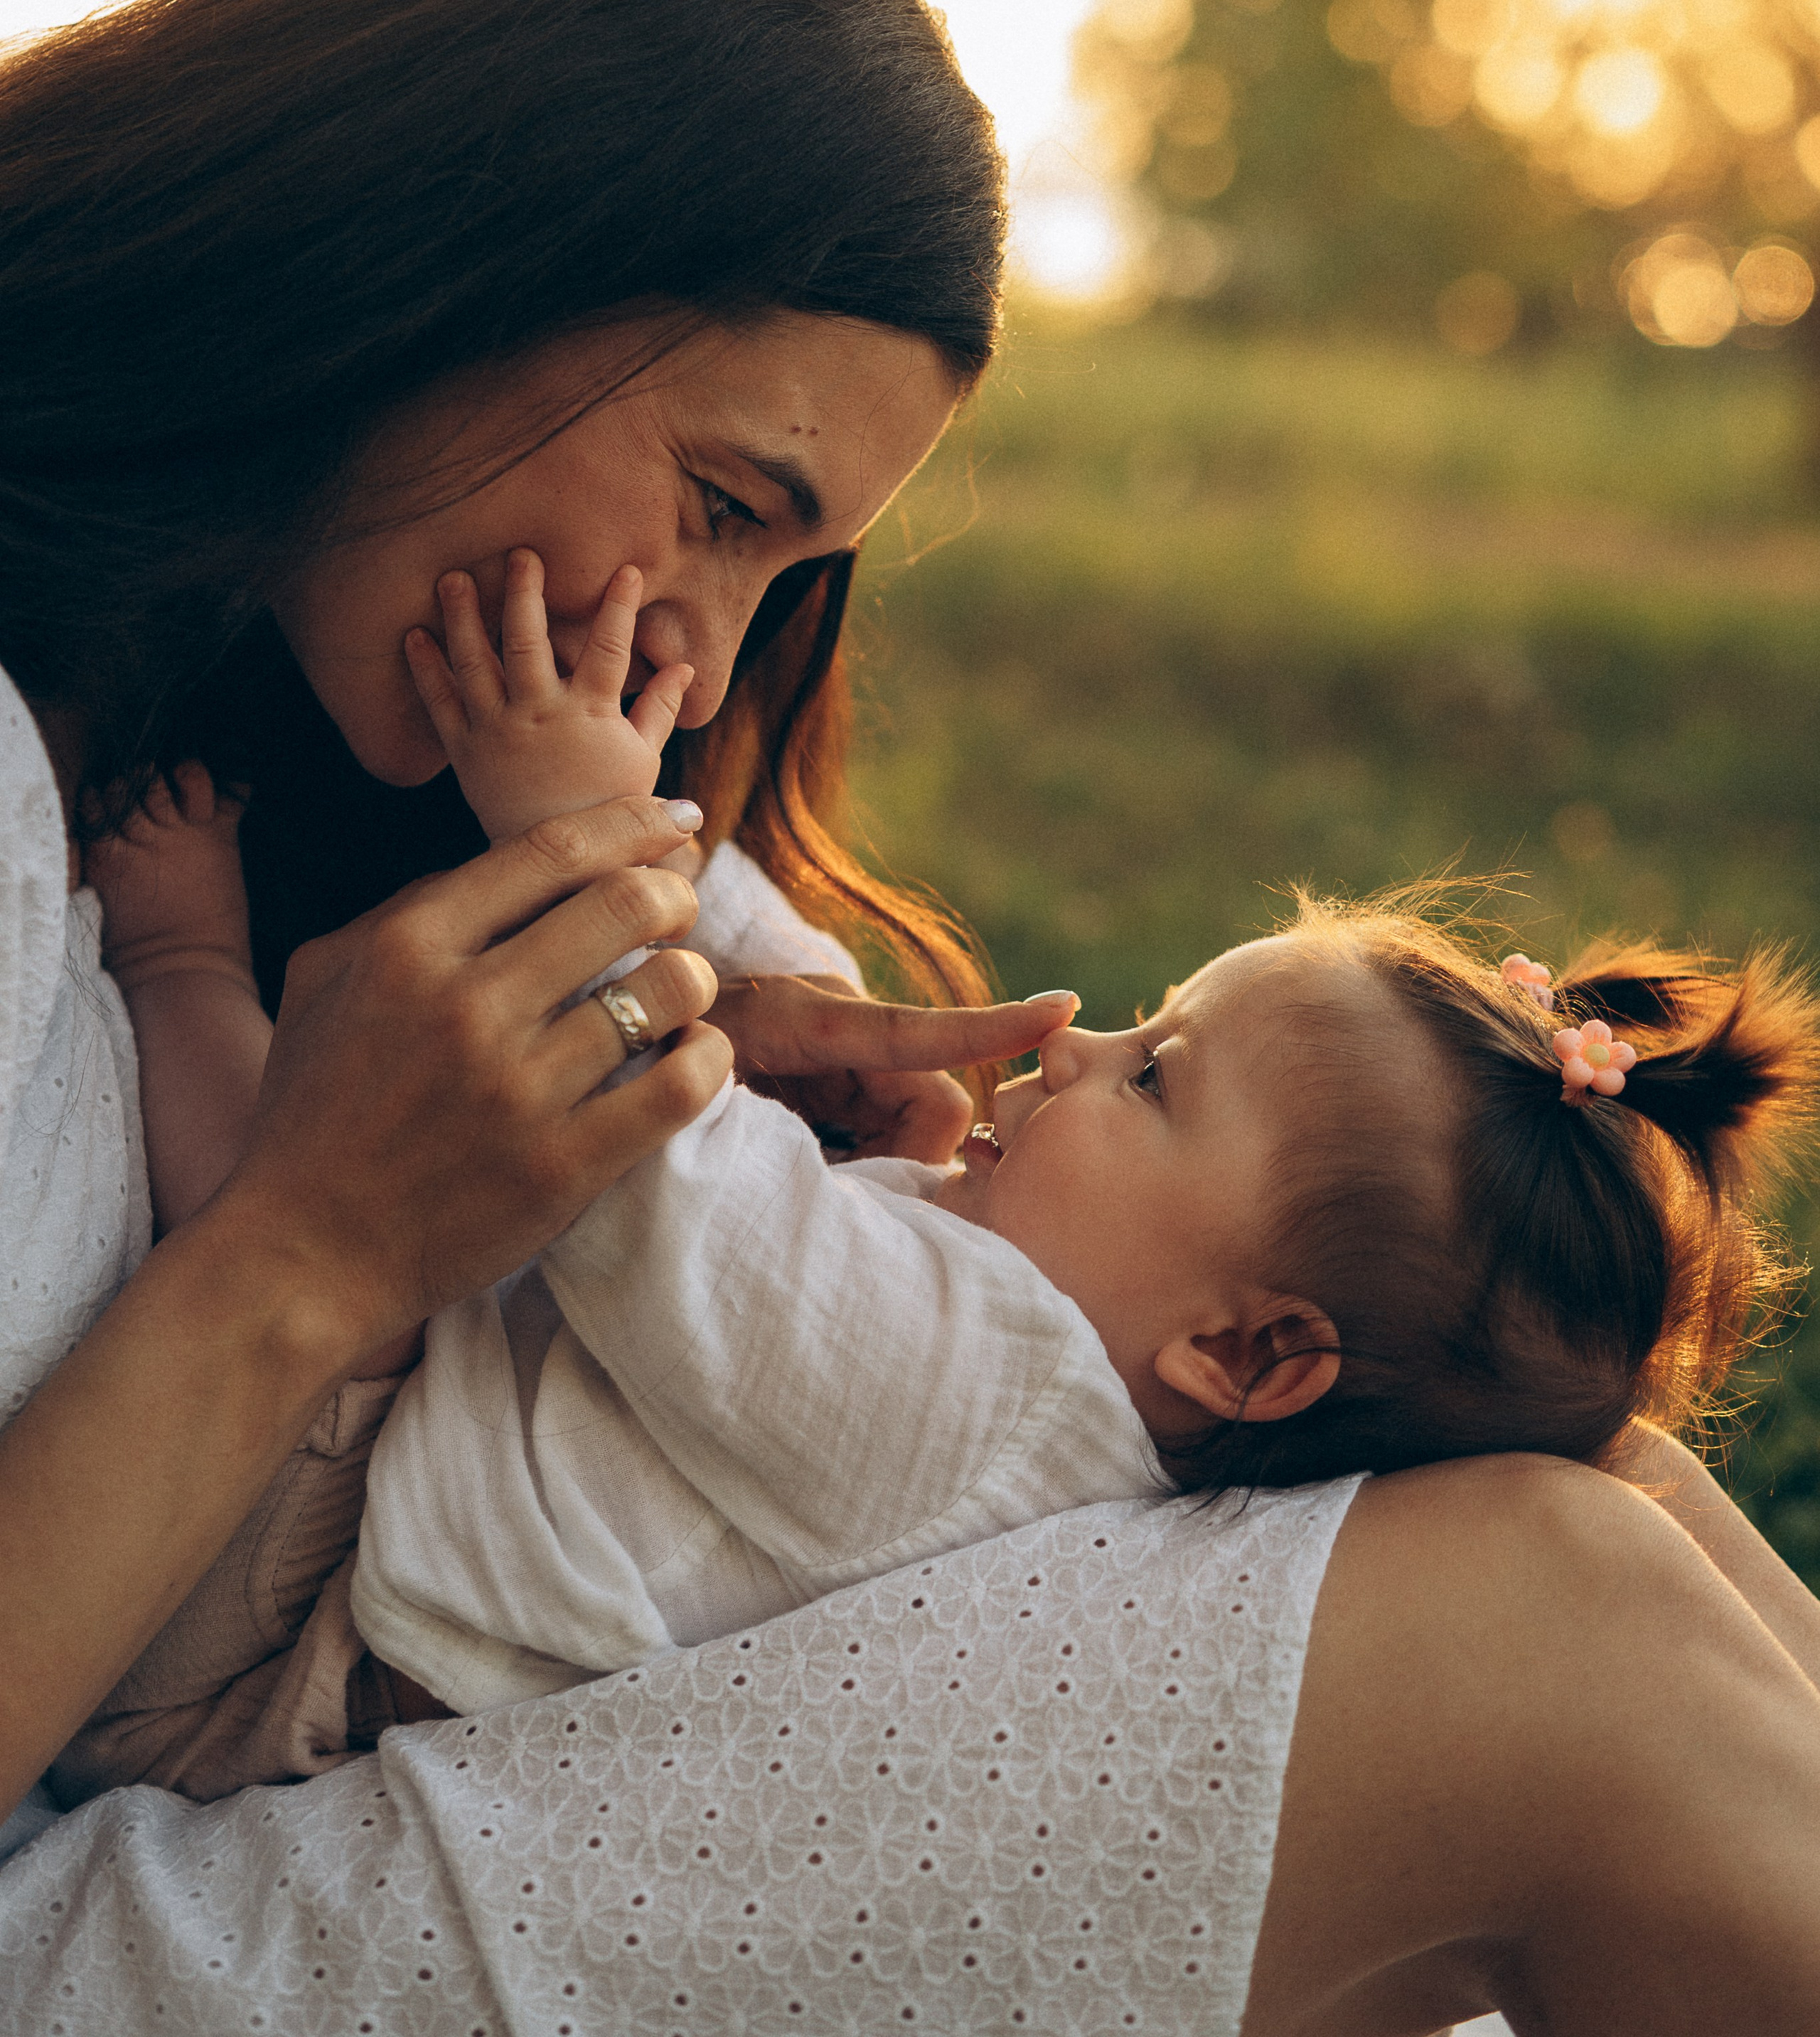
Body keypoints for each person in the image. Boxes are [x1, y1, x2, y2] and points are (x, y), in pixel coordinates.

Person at [0, 0, 1817, 2033]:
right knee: (1558, 1636)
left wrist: (739, 1044)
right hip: (118, 1864)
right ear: (453, 264)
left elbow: (740, 1134)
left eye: (789, 573)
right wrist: (313, 1247)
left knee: (1564, 1466)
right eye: (726, 504)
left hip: (338, 1700)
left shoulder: (293, 700)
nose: (699, 651)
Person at [60, 540, 1817, 1773]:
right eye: (1135, 1025)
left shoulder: (985, 1386)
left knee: (301, 1209)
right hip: (348, 1558)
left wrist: (571, 827)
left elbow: (648, 1189)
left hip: (275, 1629)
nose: (1069, 1048)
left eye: (1147, 1083)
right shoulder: (1051, 1379)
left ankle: (176, 960)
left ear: (1246, 1351)